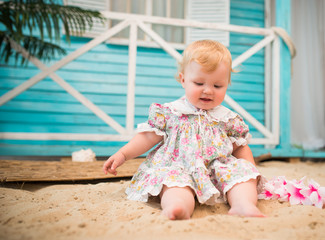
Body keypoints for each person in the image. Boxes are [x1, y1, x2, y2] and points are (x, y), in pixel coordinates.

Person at [103, 39, 265, 220]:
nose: (208, 91)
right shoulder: (172, 112)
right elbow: (148, 137)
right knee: (174, 185)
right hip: (179, 166)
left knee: (242, 177)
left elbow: (240, 147)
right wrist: (123, 154)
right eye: (199, 83)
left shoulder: (226, 118)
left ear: (226, 84)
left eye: (217, 86)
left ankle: (243, 204)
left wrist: (250, 171)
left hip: (217, 169)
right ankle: (177, 206)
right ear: (183, 80)